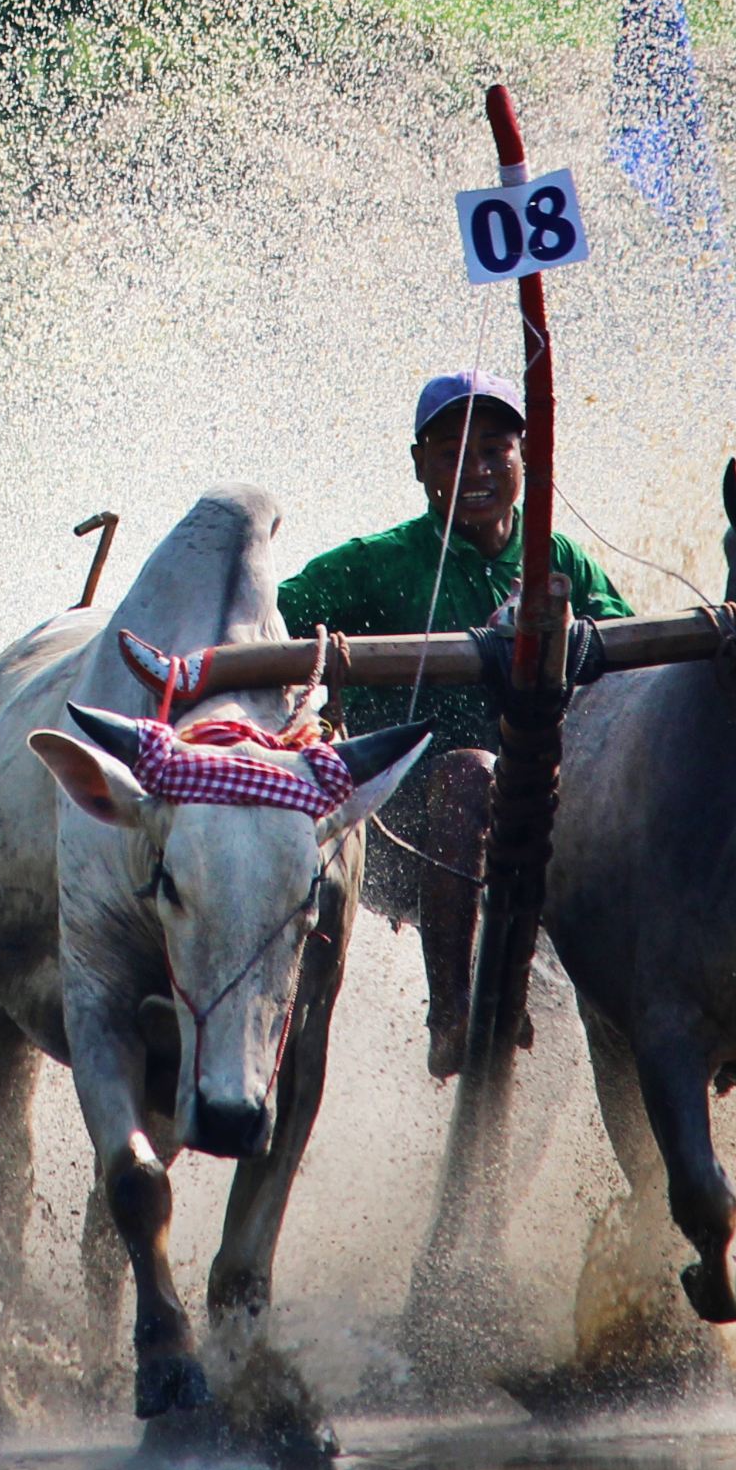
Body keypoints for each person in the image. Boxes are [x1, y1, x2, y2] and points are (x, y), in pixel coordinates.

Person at [277, 371, 634, 1078]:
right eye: (450, 454)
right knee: (469, 772)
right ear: (419, 466)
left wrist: (575, 637)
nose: (475, 469)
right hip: (402, 830)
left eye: (494, 450)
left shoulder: (557, 560)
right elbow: (271, 623)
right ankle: (450, 1016)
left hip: (542, 820)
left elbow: (628, 652)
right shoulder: (374, 565)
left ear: (523, 459)